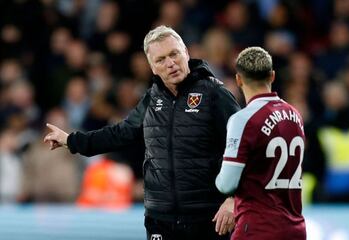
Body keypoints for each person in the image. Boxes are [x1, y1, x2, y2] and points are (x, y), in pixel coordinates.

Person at [44, 25, 240, 240]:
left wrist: (233, 199)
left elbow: (243, 147)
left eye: (174, 54)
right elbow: (120, 133)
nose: (170, 63)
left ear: (186, 52)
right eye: (161, 59)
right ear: (152, 67)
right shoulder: (152, 99)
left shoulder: (214, 94)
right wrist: (71, 140)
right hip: (160, 219)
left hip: (209, 218)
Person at [215, 47, 306, 240]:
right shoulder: (295, 115)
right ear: (272, 76)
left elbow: (226, 184)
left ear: (239, 79)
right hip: (295, 228)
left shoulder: (244, 120)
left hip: (258, 229)